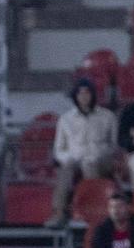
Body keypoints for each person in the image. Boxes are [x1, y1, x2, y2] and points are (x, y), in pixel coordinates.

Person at [48, 80, 118, 227]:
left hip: (100, 159)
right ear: (75, 96)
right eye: (80, 93)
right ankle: (59, 212)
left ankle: (94, 210)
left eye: (87, 92)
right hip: (74, 158)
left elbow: (113, 146)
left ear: (93, 95)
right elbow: (59, 149)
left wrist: (99, 154)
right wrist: (69, 158)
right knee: (66, 170)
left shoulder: (108, 117)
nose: (84, 96)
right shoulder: (65, 119)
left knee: (90, 165)